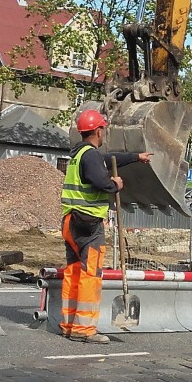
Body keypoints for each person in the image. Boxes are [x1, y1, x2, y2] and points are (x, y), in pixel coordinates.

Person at [60, 109, 152, 344]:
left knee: (73, 272)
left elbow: (109, 159)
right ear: (99, 131)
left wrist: (135, 157)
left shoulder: (79, 154)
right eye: (104, 130)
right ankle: (85, 329)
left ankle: (69, 324)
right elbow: (99, 179)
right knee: (91, 275)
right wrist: (115, 184)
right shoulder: (90, 157)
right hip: (88, 224)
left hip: (70, 222)